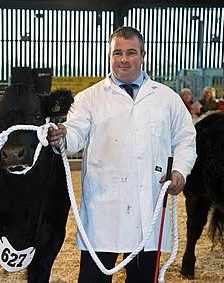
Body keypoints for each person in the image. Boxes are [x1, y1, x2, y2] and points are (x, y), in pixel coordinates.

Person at [48, 26, 197, 283]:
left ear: (143, 55)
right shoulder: (89, 99)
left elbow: (185, 139)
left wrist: (180, 171)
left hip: (147, 207)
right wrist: (62, 135)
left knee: (142, 278)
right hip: (103, 208)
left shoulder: (166, 99)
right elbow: (75, 134)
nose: (124, 59)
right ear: (109, 56)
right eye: (117, 53)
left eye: (131, 53)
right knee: (93, 278)